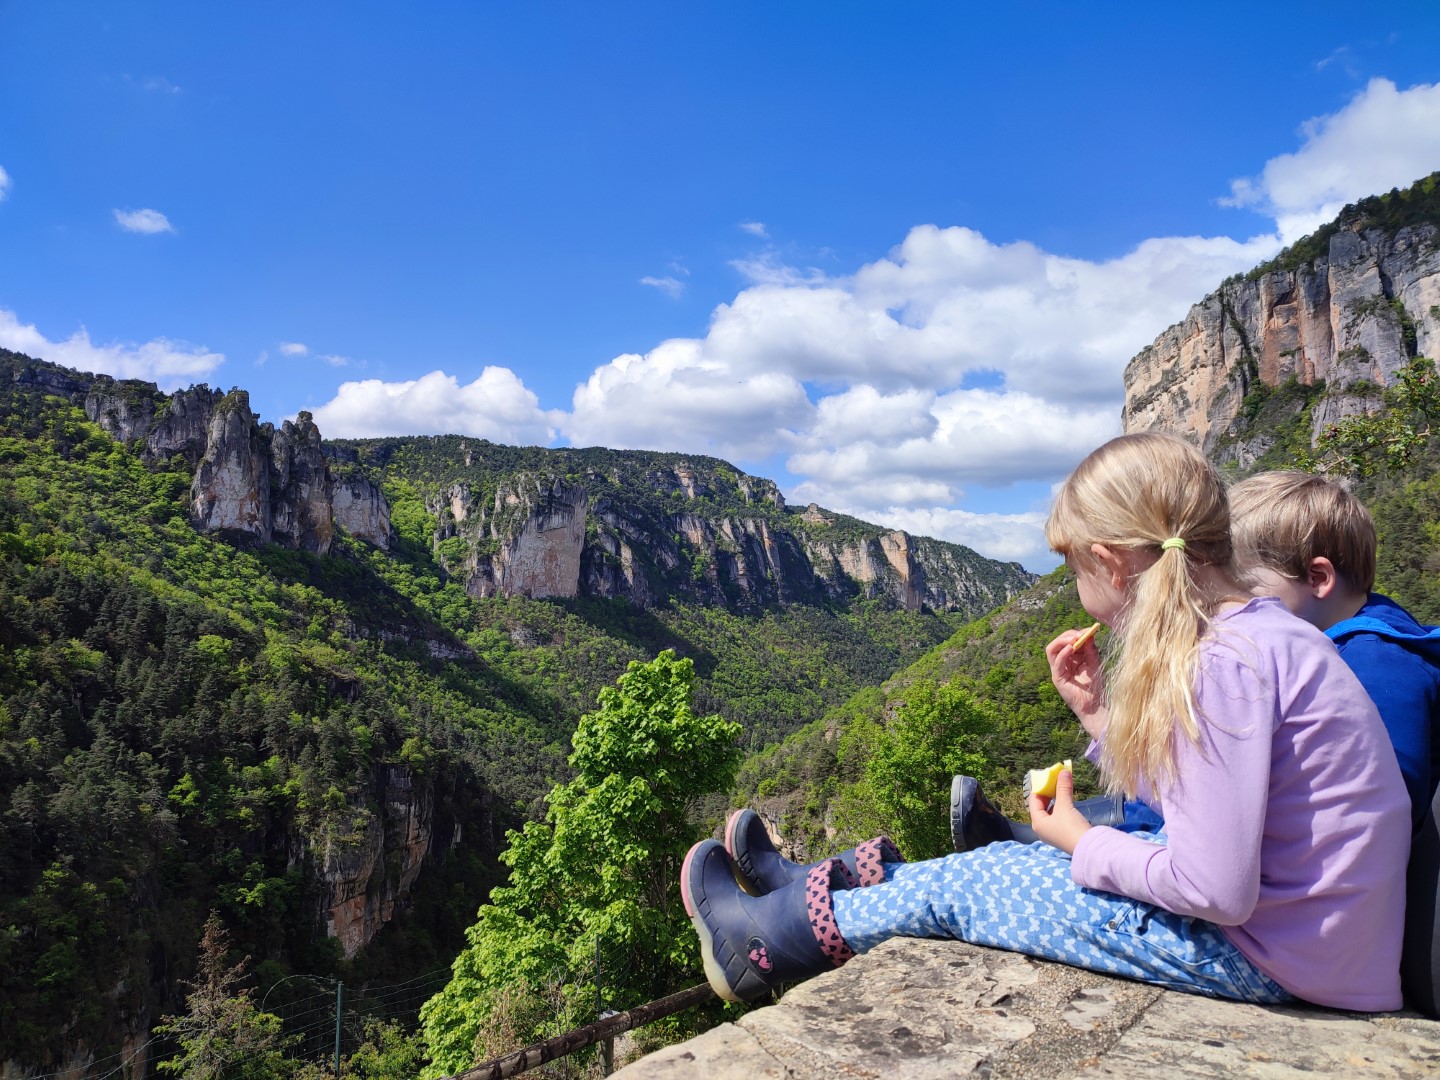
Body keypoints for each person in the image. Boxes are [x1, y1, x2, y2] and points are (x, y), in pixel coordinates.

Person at [681, 433, 1411, 1010]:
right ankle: (808, 896)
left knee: (965, 890)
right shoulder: (1258, 638)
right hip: (1313, 948)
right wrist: (1097, 714)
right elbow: (1208, 807)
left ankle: (765, 947)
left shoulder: (1224, 661)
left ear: (1111, 563)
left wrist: (1082, 839)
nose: (1075, 587)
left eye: (1073, 569)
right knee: (1009, 861)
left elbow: (1218, 889)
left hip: (1276, 958)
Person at [1228, 469, 1440, 1016]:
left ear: (1318, 577)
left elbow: (1375, 810)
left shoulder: (1378, 664)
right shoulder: (1349, 643)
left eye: (1245, 592)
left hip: (1343, 928)